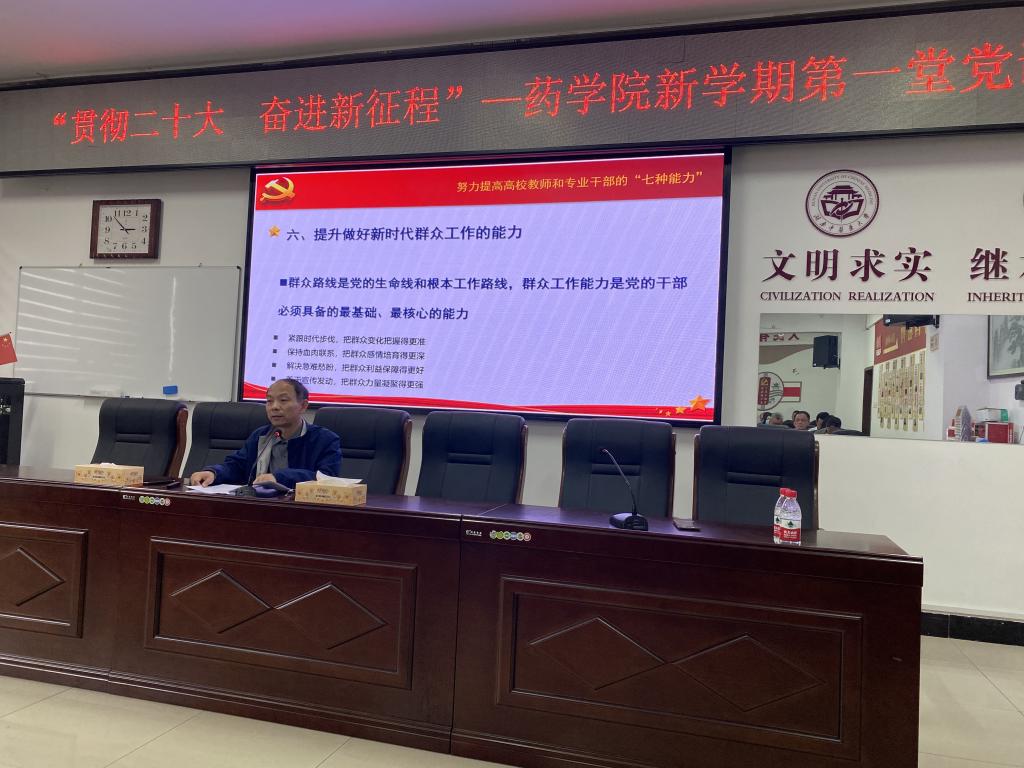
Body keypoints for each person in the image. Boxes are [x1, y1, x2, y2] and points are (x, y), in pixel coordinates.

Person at [189, 378, 341, 488]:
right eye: (269, 401)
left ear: (303, 406)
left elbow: (327, 478)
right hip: (260, 507)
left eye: (283, 400)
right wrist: (214, 473)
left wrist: (278, 478)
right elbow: (237, 466)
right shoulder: (261, 435)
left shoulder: (324, 440)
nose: (274, 407)